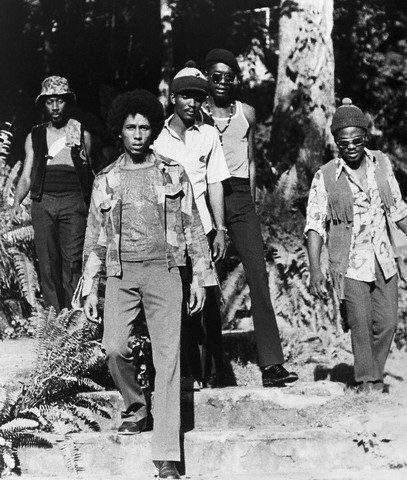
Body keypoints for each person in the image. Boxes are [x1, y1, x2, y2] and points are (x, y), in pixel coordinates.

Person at [80, 89, 213, 479]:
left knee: (167, 360)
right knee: (114, 346)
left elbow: (193, 227)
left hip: (165, 271)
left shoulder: (173, 172)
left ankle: (167, 456)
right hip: (122, 274)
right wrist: (91, 284)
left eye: (144, 127)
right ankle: (137, 407)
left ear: (152, 130)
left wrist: (200, 279)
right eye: (129, 127)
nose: (137, 133)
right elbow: (95, 236)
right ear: (119, 132)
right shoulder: (106, 179)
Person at [202, 48, 298, 387]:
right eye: (216, 77)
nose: (223, 83)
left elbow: (252, 159)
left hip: (240, 196)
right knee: (206, 279)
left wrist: (251, 202)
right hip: (206, 197)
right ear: (207, 79)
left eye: (229, 77)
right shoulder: (198, 115)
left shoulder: (247, 113)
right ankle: (211, 366)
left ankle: (272, 365)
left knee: (258, 275)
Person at [305, 98, 407, 393]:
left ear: (365, 137)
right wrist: (315, 269)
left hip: (382, 257)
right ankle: (367, 382)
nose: (350, 147)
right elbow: (314, 224)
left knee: (387, 322)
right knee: (360, 323)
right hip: (348, 261)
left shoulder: (382, 164)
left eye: (356, 140)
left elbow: (398, 210)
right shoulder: (325, 176)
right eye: (342, 142)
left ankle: (373, 374)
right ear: (335, 142)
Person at [153, 61, 230, 389]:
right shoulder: (157, 138)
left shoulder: (209, 135)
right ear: (173, 98)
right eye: (185, 96)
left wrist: (221, 230)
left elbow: (215, 183)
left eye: (198, 97)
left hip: (204, 229)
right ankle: (186, 374)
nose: (192, 103)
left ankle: (215, 375)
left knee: (210, 303)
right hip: (170, 232)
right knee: (177, 301)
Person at [10, 76, 94, 312]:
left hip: (73, 202)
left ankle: (76, 317)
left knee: (73, 261)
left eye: (60, 101)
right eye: (50, 102)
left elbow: (89, 173)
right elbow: (27, 174)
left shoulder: (80, 133)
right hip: (43, 202)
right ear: (43, 105)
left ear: (68, 102)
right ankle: (55, 319)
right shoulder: (35, 136)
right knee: (47, 262)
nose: (55, 107)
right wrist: (16, 202)